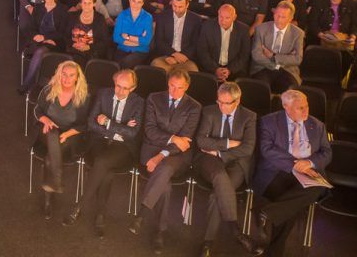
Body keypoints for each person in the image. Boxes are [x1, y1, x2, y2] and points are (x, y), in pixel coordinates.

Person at [128, 69, 201, 254]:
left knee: (166, 166)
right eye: (171, 86)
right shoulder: (154, 98)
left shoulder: (194, 106)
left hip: (177, 156)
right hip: (150, 149)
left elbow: (185, 143)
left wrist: (161, 155)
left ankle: (142, 215)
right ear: (167, 83)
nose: (174, 92)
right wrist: (173, 138)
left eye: (179, 88)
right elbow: (150, 130)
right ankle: (160, 231)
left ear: (187, 87)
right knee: (165, 185)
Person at [63, 68, 144, 236]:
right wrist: (119, 129)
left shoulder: (139, 102)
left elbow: (132, 133)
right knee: (105, 170)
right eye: (118, 86)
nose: (120, 91)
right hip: (98, 142)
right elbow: (91, 123)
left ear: (133, 88)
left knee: (102, 162)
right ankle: (100, 215)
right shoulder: (103, 94)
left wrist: (107, 123)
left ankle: (79, 206)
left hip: (123, 148)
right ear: (114, 83)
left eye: (125, 88)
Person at [254, 89, 332, 257]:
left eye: (307, 106)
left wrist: (310, 163)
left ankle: (267, 213)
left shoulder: (317, 125)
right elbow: (267, 150)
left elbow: (327, 153)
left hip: (309, 171)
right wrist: (294, 164)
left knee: (316, 187)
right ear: (286, 107)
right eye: (300, 108)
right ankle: (273, 249)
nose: (305, 111)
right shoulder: (269, 122)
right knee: (291, 205)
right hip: (278, 172)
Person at [194, 82, 261, 257]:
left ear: (237, 101)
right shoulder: (209, 112)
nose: (221, 106)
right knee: (219, 177)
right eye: (219, 102)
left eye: (226, 103)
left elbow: (248, 148)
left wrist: (218, 152)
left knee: (219, 193)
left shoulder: (249, 117)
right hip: (209, 161)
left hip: (237, 163)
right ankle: (236, 231)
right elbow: (201, 141)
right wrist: (228, 144)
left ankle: (207, 243)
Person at [33, 60, 90, 220]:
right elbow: (37, 110)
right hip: (48, 132)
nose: (66, 79)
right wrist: (44, 119)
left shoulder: (83, 97)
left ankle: (48, 201)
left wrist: (68, 134)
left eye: (71, 76)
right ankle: (56, 182)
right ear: (59, 75)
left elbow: (85, 124)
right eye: (64, 74)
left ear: (77, 78)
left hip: (71, 136)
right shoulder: (48, 90)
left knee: (49, 159)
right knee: (52, 134)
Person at [250, 0, 304, 93]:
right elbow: (256, 55)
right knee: (261, 89)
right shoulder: (261, 29)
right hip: (263, 67)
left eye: (283, 17)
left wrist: (273, 56)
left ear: (290, 18)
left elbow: (297, 59)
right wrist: (276, 65)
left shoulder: (298, 33)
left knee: (290, 91)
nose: (279, 20)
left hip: (287, 69)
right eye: (277, 15)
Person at [307, 0, 357, 72]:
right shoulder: (318, 1)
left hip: (343, 41)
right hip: (321, 40)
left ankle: (338, 81)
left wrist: (353, 37)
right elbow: (312, 23)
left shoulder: (352, 4)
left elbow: (355, 24)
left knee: (347, 58)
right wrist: (321, 35)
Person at [150, 0, 202, 73]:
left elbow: (195, 44)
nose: (177, 10)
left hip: (185, 58)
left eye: (180, 7)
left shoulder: (196, 20)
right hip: (166, 56)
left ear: (187, 5)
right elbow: (159, 41)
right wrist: (173, 54)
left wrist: (181, 56)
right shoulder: (163, 17)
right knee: (156, 68)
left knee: (193, 72)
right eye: (174, 6)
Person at [65, 0, 109, 66]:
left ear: (94, 4)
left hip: (92, 53)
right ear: (80, 4)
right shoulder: (72, 16)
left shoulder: (100, 19)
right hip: (73, 51)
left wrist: (88, 47)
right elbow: (66, 36)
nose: (87, 6)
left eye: (89, 3)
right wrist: (73, 44)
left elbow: (104, 42)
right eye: (84, 3)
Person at [113, 0, 154, 68]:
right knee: (115, 65)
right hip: (123, 48)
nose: (135, 4)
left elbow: (146, 41)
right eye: (133, 1)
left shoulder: (148, 17)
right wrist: (136, 42)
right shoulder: (122, 15)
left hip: (140, 50)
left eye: (139, 2)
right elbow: (116, 38)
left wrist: (128, 37)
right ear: (129, 0)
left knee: (125, 63)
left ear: (143, 3)